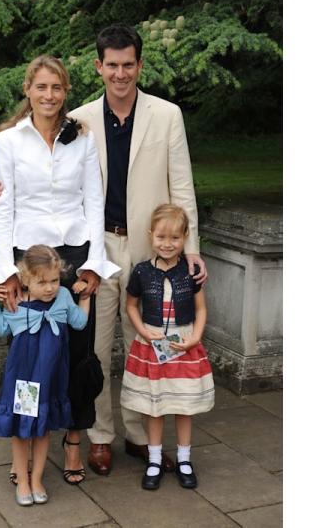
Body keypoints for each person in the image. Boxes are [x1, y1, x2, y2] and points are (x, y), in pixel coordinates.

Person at [0, 24, 208, 476]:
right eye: (112, 65)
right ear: (99, 67)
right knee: (90, 346)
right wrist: (0, 194)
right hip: (97, 245)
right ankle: (98, 437)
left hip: (152, 249)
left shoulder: (166, 115)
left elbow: (182, 185)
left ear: (139, 65)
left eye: (129, 64)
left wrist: (190, 248)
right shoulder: (83, 120)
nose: (121, 72)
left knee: (145, 345)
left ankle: (138, 435)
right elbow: (25, 164)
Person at [0, 55, 121, 487]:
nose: (49, 95)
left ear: (66, 93)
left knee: (80, 356)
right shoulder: (8, 142)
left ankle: (73, 441)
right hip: (30, 258)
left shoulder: (80, 139)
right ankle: (24, 439)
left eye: (57, 88)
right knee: (30, 359)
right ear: (28, 89)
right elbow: (3, 209)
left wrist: (94, 266)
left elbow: (94, 202)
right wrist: (8, 270)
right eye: (41, 87)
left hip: (75, 252)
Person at [0, 245, 93, 505]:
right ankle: (22, 479)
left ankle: (38, 478)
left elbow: (79, 322)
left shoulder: (63, 297)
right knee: (22, 430)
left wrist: (85, 298)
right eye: (42, 282)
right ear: (26, 279)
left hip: (52, 376)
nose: (50, 287)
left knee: (43, 429)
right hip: (25, 379)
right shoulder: (18, 303)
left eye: (54, 280)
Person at [120, 204, 214, 490]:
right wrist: (141, 330)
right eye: (161, 237)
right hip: (151, 346)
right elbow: (131, 305)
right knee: (155, 406)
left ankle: (184, 459)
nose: (167, 244)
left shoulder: (189, 272)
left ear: (185, 237)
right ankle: (155, 458)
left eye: (174, 238)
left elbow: (200, 309)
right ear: (151, 236)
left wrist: (196, 337)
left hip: (183, 345)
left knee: (183, 405)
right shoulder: (142, 272)